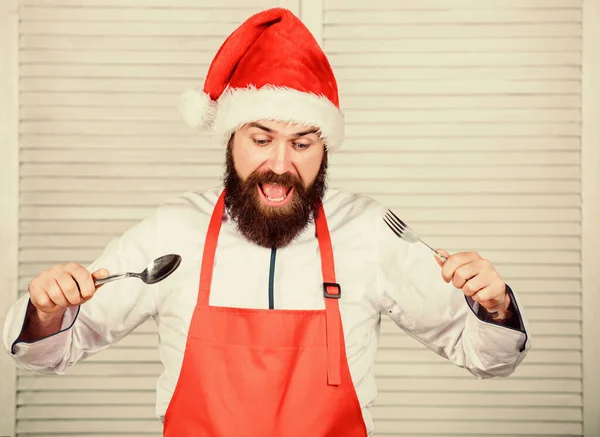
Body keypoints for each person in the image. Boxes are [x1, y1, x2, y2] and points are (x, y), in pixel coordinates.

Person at [3, 7, 530, 437]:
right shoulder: (173, 230)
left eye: (302, 143)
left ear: (325, 148)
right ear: (229, 140)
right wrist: (48, 310)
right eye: (261, 140)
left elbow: (488, 359)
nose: (280, 164)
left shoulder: (367, 230)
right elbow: (49, 354)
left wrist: (496, 306)